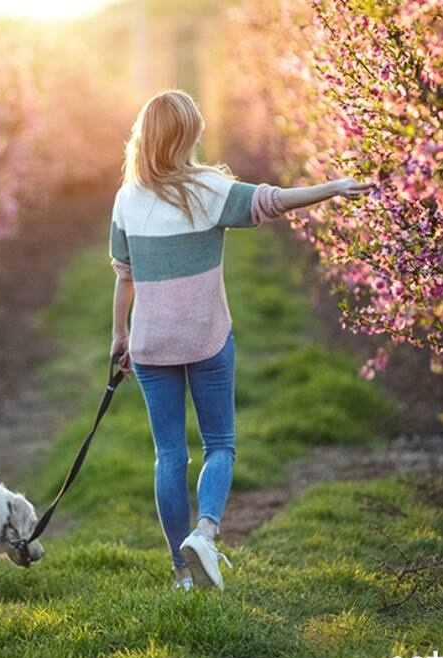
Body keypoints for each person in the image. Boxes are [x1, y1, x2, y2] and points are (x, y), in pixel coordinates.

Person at [108, 89, 373, 591]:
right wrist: (332, 187)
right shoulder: (207, 189)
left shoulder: (127, 198)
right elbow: (271, 202)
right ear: (188, 136)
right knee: (220, 445)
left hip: (149, 342)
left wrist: (119, 337)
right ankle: (204, 534)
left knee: (168, 455)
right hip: (206, 336)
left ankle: (180, 570)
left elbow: (125, 276)